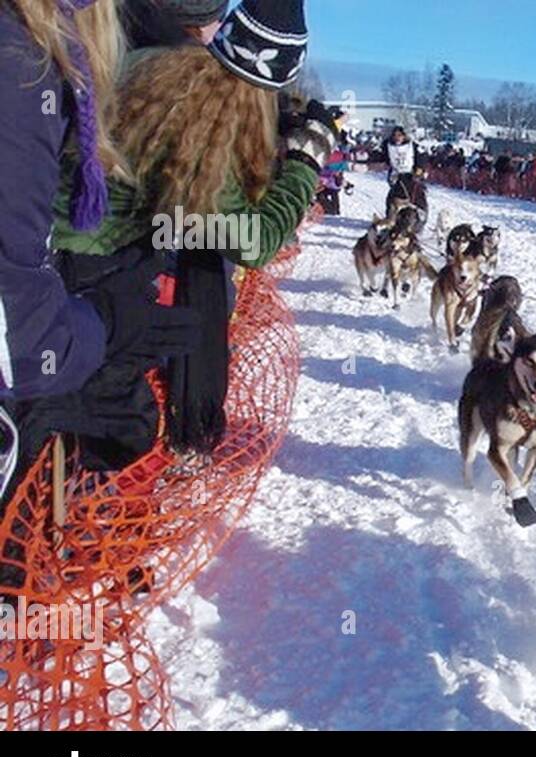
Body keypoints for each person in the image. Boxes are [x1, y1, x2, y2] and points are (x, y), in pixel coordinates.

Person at [49, 0, 332, 462]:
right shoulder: (207, 120)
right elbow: (251, 241)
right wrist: (304, 164)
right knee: (124, 417)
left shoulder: (154, 65)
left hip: (53, 246)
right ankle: (101, 494)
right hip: (89, 269)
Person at [1, 0, 199, 498]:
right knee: (112, 422)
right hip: (73, 309)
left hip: (71, 292)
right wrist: (108, 321)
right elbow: (21, 336)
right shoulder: (22, 65)